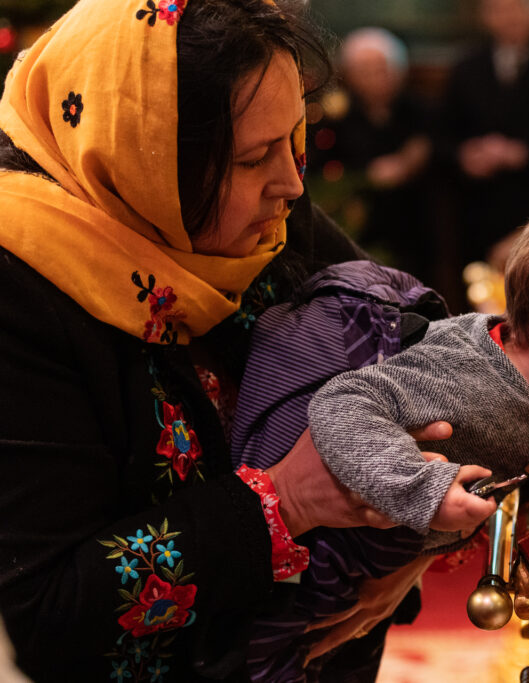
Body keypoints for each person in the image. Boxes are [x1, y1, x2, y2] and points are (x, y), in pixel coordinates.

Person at [0, 0, 448, 680]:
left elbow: (422, 354)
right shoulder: (21, 283)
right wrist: (283, 503)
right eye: (254, 157)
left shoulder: (259, 219)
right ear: (143, 157)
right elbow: (51, 607)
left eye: (293, 138)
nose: (292, 184)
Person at [232, 189, 529, 677]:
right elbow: (343, 404)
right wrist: (427, 490)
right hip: (298, 582)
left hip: (362, 579)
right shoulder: (460, 377)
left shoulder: (527, 371)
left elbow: (517, 414)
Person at [437, 0, 529, 267]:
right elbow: (442, 136)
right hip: (482, 206)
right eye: (500, 9)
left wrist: (524, 153)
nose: (510, 17)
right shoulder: (467, 66)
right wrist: (465, 155)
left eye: (518, 7)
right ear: (485, 16)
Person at [306, 28, 434, 283]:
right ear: (350, 75)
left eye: (381, 69)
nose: (375, 78)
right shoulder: (334, 114)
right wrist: (367, 175)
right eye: (364, 70)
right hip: (356, 224)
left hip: (412, 219)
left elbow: (437, 146)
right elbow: (321, 169)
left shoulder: (417, 108)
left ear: (398, 71)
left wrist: (411, 161)